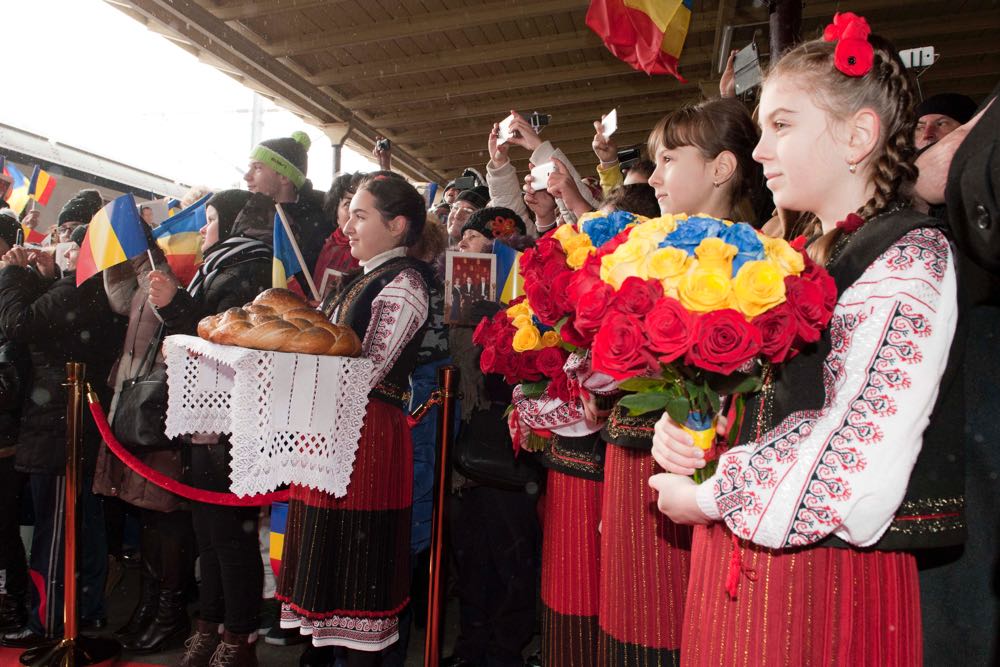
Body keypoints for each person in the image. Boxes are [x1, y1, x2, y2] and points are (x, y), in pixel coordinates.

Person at [650, 20, 961, 665]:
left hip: (822, 578)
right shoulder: (794, 255)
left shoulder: (908, 255)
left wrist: (708, 495)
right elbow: (758, 395)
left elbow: (856, 452)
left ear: (859, 135)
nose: (760, 151)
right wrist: (688, 429)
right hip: (747, 553)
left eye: (781, 126)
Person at [277, 174, 433, 667]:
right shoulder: (361, 278)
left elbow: (369, 369)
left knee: (358, 577)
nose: (347, 225)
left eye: (361, 215)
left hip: (364, 437)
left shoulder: (403, 283)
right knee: (332, 569)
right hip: (335, 431)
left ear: (397, 224)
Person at [149, 190, 275, 667]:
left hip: (233, 420)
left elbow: (223, 337)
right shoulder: (221, 265)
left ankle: (239, 637)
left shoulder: (250, 268)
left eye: (212, 219)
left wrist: (176, 305)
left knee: (231, 536)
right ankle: (211, 624)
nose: (203, 230)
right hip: (207, 418)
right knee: (208, 532)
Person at [0, 220, 126, 648]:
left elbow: (18, 323)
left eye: (62, 247)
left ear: (80, 256)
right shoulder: (85, 293)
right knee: (81, 524)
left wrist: (14, 274)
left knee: (56, 534)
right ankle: (83, 612)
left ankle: (50, 621)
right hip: (67, 425)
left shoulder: (78, 291)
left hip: (57, 426)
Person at [0, 211, 28, 636]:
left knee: (4, 528)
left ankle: (12, 604)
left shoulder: (14, 291)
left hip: (5, 438)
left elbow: (11, 378)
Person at [245, 132, 327, 275]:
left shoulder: (320, 225)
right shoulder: (246, 211)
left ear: (284, 177)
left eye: (257, 167)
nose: (246, 176)